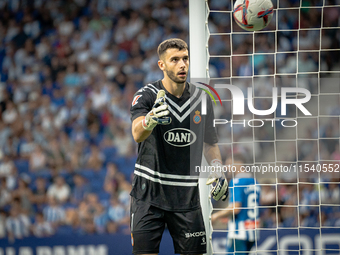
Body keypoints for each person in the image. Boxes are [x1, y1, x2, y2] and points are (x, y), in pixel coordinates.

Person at [130, 38, 229, 255]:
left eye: (185, 59)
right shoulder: (146, 95)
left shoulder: (202, 99)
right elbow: (137, 133)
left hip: (186, 197)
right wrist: (150, 119)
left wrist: (217, 169)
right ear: (161, 65)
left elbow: (209, 143)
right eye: (174, 60)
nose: (182, 64)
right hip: (149, 194)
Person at [211, 154, 261, 255]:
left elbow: (235, 208)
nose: (227, 168)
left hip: (239, 233)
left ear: (239, 163)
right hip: (252, 231)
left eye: (229, 164)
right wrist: (229, 216)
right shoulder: (255, 182)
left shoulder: (237, 181)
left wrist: (215, 216)